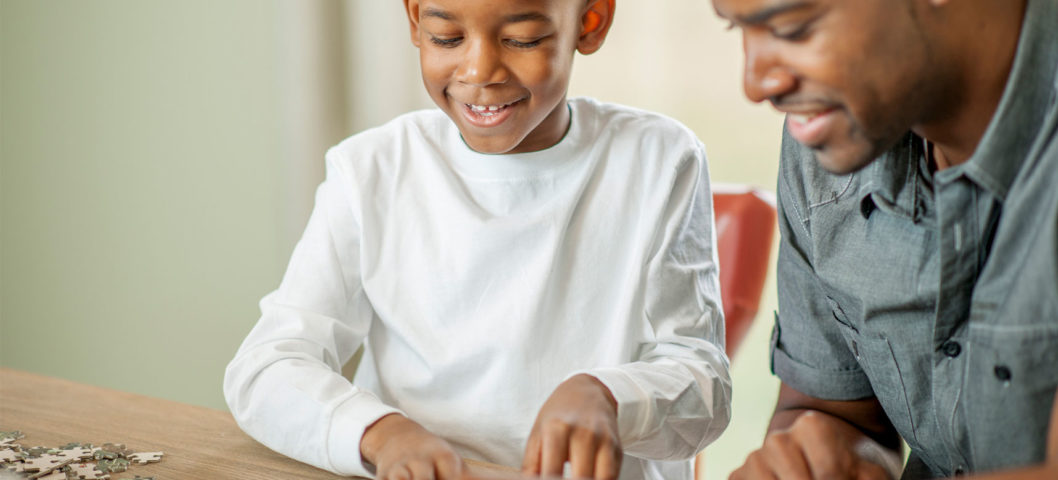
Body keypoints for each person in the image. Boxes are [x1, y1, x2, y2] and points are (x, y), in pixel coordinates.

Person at [224, 1, 732, 479]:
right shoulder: (370, 171)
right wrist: (382, 435)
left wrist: (608, 396)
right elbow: (266, 368)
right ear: (415, 20)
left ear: (590, 20)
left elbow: (704, 383)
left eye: (522, 39)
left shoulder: (660, 160)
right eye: (446, 37)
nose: (479, 71)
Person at [712, 0, 1058, 478]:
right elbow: (834, 413)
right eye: (738, 29)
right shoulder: (839, 134)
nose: (755, 83)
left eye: (793, 28)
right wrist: (817, 461)